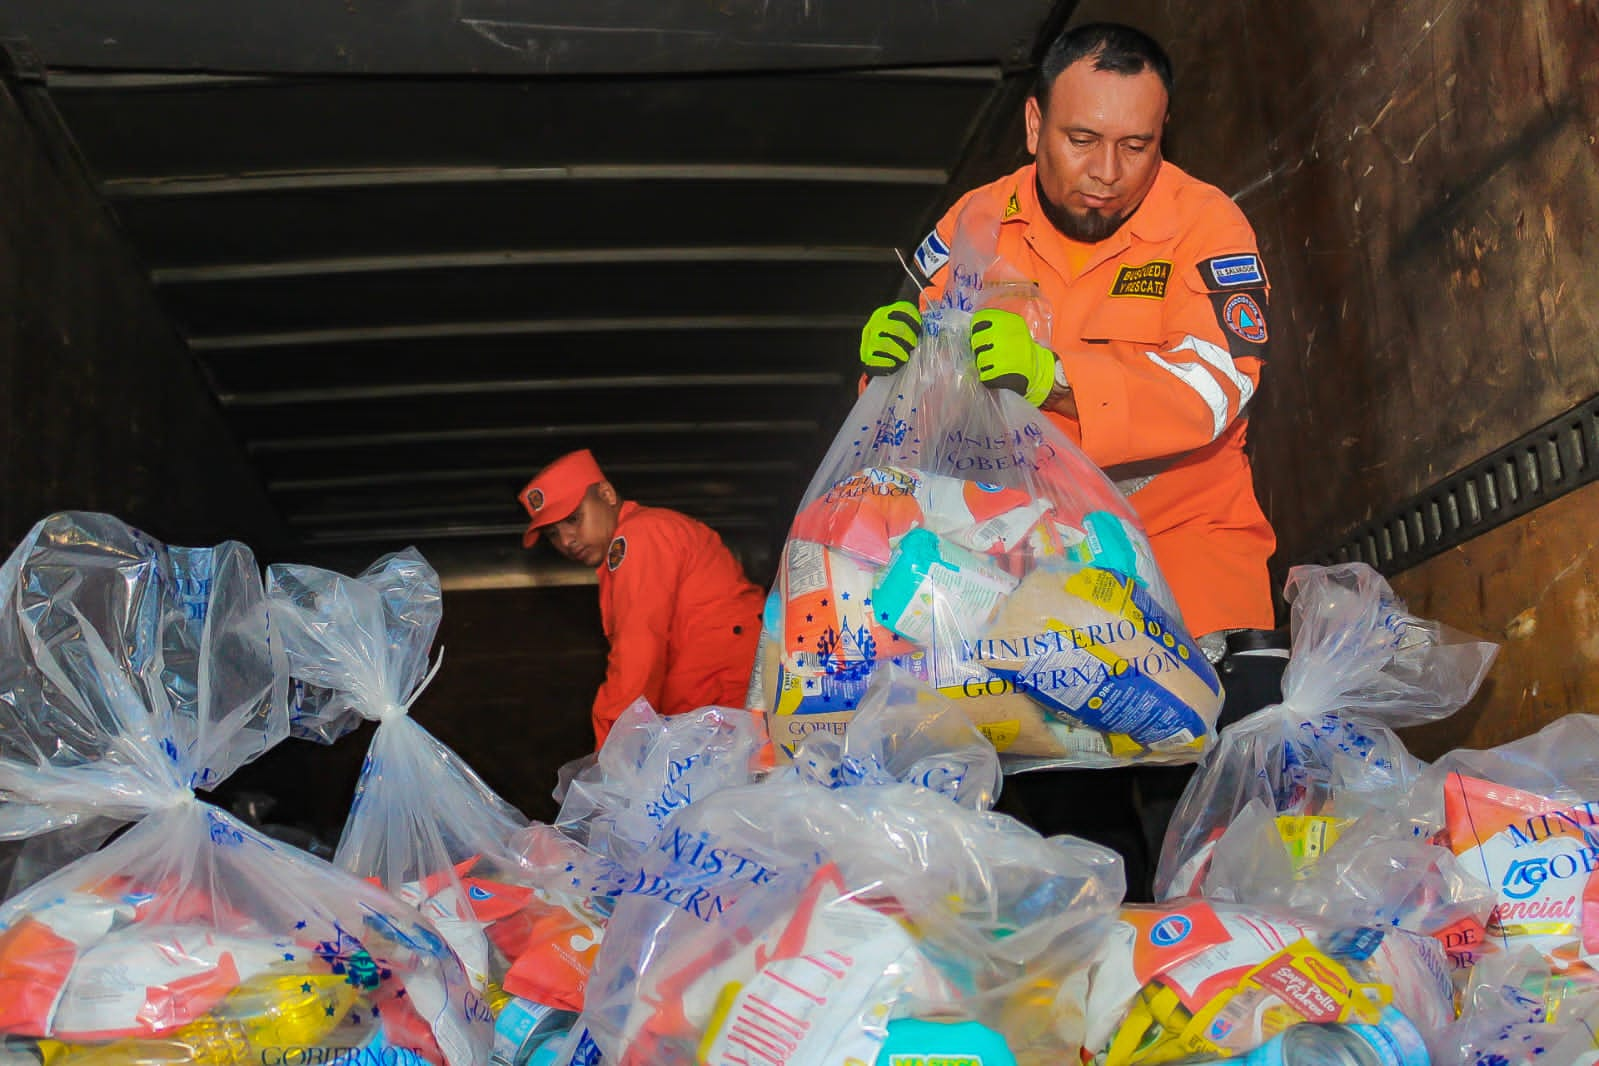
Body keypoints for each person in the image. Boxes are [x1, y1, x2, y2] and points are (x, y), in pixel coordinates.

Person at [858, 22, 1287, 898]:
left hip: (1187, 565)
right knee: (1067, 855)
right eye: (1081, 139)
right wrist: (882, 365)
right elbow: (909, 420)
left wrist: (1057, 379)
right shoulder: (973, 224)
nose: (1107, 171)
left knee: (1221, 843)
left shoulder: (1205, 225)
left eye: (1137, 144)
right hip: (1032, 585)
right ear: (1031, 125)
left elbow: (1218, 381)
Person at [518, 448, 765, 750]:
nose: (567, 540)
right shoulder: (636, 543)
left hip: (731, 709)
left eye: (573, 518)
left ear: (607, 494)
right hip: (720, 715)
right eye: (553, 535)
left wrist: (609, 756)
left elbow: (637, 657)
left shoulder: (639, 535)